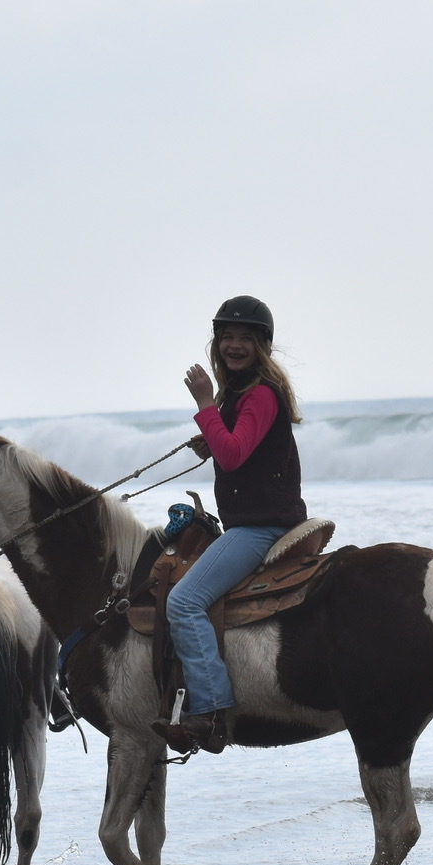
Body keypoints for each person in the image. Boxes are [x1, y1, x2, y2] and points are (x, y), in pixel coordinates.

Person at [154, 295, 307, 754]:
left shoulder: (259, 393)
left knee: (182, 603)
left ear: (262, 345)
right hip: (255, 522)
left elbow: (235, 452)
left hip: (260, 528)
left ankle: (210, 709)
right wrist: (213, 432)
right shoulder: (243, 394)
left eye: (245, 338)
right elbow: (237, 448)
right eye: (227, 336)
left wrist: (204, 405)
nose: (234, 345)